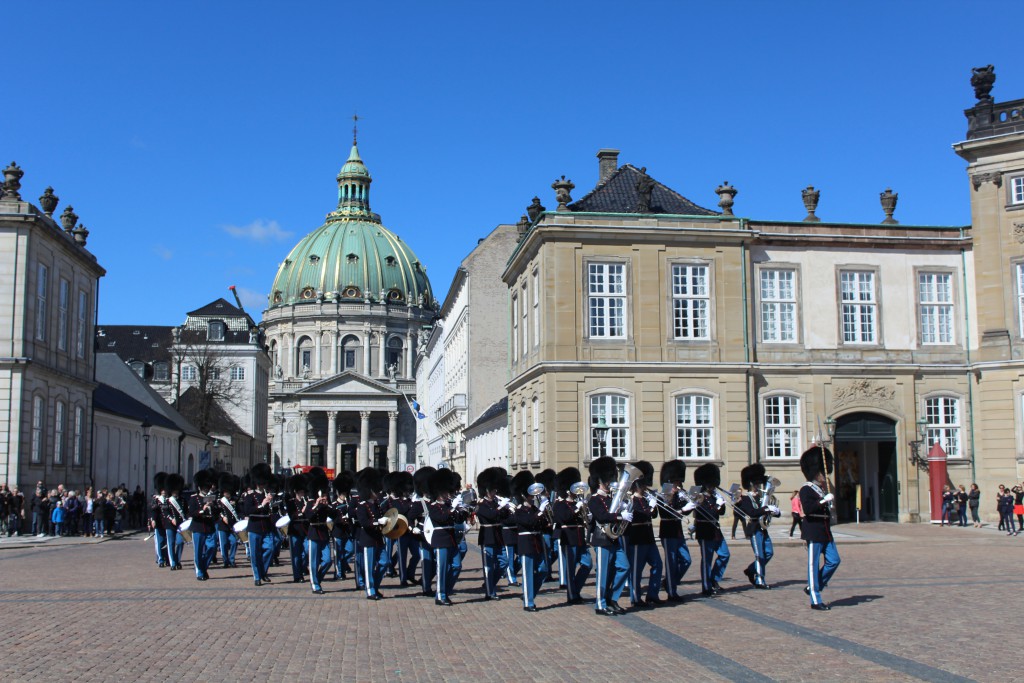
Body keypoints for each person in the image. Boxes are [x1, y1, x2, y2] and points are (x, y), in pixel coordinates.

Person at [587, 456, 631, 616]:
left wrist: (625, 509)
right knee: (603, 573)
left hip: (614, 539)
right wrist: (620, 516)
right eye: (609, 478)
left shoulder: (612, 498)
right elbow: (602, 516)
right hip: (601, 539)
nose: (611, 481)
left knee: (624, 567)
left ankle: (612, 598)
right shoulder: (594, 499)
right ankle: (600, 604)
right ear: (601, 480)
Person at [800, 445, 840, 611]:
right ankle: (815, 600)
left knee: (834, 560)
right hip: (813, 530)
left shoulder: (821, 490)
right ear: (815, 472)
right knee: (813, 565)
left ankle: (814, 586)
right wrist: (823, 501)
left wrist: (828, 504)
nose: (826, 475)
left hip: (825, 531)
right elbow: (808, 509)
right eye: (823, 472)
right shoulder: (806, 489)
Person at [427, 468, 469, 606]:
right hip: (440, 540)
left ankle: (446, 590)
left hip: (451, 540)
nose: (447, 494)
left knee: (457, 565)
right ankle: (440, 595)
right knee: (442, 568)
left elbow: (458, 519)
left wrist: (462, 510)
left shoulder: (448, 505)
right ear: (439, 492)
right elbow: (441, 518)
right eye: (445, 492)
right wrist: (452, 509)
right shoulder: (433, 506)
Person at [625, 460, 663, 608]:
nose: (646, 487)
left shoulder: (646, 498)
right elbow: (638, 515)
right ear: (638, 484)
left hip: (649, 537)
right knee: (636, 570)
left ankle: (652, 594)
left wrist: (653, 506)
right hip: (637, 538)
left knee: (658, 565)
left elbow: (652, 516)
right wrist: (649, 507)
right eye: (644, 484)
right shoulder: (630, 499)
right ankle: (635, 597)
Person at [736, 464, 780, 590]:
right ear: (750, 483)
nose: (758, 486)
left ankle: (751, 570)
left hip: (763, 528)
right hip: (754, 529)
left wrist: (776, 511)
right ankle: (760, 579)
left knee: (769, 552)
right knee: (759, 555)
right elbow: (752, 513)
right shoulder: (745, 499)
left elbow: (769, 509)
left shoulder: (762, 497)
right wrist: (766, 508)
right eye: (756, 484)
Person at [552, 467, 591, 605]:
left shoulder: (577, 503)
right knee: (570, 568)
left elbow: (585, 520)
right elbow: (564, 517)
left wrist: (587, 512)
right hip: (568, 538)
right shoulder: (559, 504)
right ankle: (572, 595)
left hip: (580, 537)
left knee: (587, 564)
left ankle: (575, 589)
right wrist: (577, 508)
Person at [475, 467, 512, 601]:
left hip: (498, 536)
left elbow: (503, 516)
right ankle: (490, 592)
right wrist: (501, 508)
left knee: (504, 562)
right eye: (493, 489)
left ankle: (490, 584)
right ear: (486, 490)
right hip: (487, 536)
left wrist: (507, 508)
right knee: (488, 567)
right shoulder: (481, 504)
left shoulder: (496, 501)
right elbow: (490, 515)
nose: (495, 492)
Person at [692, 463, 729, 597]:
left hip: (715, 529)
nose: (713, 486)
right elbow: (705, 512)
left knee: (725, 554)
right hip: (704, 529)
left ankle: (714, 579)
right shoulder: (699, 497)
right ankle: (706, 586)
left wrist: (721, 503)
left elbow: (722, 512)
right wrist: (717, 506)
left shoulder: (714, 496)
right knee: (706, 559)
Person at [354, 467, 389, 601]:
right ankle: (370, 590)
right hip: (368, 538)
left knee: (384, 562)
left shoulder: (376, 504)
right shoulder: (362, 505)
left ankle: (374, 585)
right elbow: (364, 522)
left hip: (377, 538)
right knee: (369, 567)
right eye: (376, 490)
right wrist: (377, 522)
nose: (378, 493)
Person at [658, 460, 691, 603]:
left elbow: (685, 513)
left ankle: (669, 582)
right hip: (667, 530)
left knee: (686, 560)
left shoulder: (679, 495)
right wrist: (683, 508)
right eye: (677, 481)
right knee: (671, 562)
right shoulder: (663, 495)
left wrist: (691, 504)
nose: (679, 484)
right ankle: (672, 592)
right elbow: (667, 514)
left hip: (678, 531)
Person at [513, 476, 548, 612]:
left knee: (543, 570)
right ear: (523, 494)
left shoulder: (534, 508)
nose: (533, 496)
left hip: (537, 543)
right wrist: (540, 512)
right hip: (526, 543)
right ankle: (529, 603)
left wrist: (545, 514)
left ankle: (529, 595)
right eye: (530, 494)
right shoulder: (520, 510)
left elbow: (542, 524)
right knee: (528, 574)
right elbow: (529, 522)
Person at [303, 469, 339, 595]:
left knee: (328, 560)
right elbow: (309, 516)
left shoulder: (325, 503)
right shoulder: (310, 503)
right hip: (313, 533)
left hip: (323, 533)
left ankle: (316, 578)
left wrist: (328, 505)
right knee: (313, 561)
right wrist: (317, 505)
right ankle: (315, 585)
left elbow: (334, 514)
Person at [241, 463, 278, 586]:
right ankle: (257, 576)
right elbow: (247, 511)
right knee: (255, 553)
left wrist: (271, 504)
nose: (263, 486)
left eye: (264, 483)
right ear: (257, 483)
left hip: (266, 526)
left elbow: (270, 512)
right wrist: (262, 504)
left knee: (270, 548)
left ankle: (263, 571)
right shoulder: (250, 496)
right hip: (255, 526)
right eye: (261, 484)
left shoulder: (266, 495)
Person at [188, 469, 219, 581]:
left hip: (209, 526)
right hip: (198, 527)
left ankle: (203, 567)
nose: (207, 489)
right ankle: (200, 572)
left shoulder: (212, 498)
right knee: (198, 551)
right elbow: (191, 513)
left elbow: (217, 514)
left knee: (212, 547)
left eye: (208, 487)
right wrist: (203, 509)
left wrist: (214, 507)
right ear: (200, 487)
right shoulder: (194, 498)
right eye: (205, 487)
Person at [160, 474, 186, 571]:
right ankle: (173, 563)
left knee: (180, 542)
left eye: (176, 490)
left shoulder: (183, 501)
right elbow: (165, 512)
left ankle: (177, 559)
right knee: (170, 543)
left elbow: (185, 512)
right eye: (174, 490)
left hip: (180, 525)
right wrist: (171, 519)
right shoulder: (167, 501)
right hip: (170, 525)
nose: (175, 492)